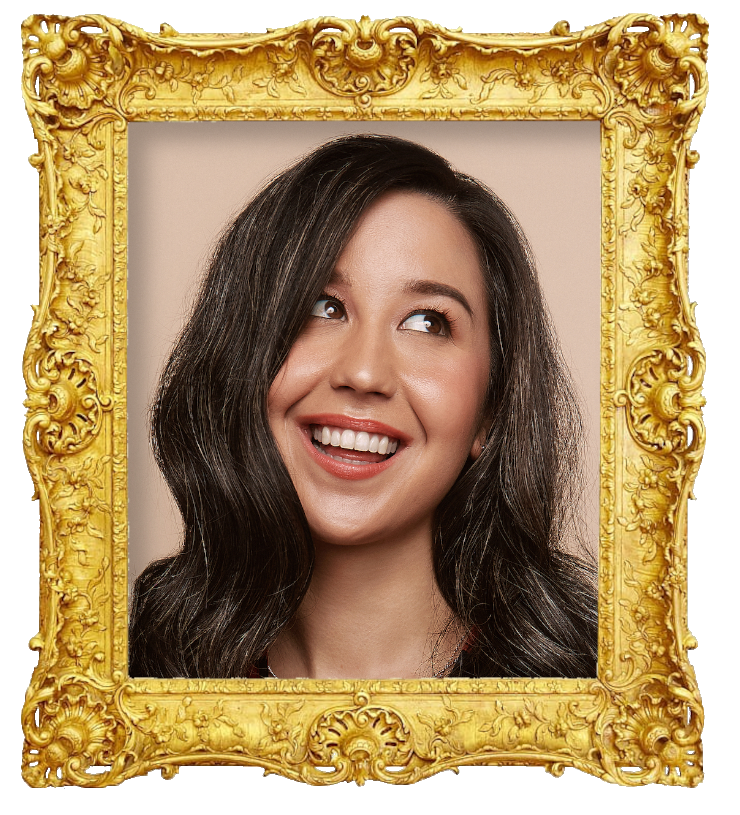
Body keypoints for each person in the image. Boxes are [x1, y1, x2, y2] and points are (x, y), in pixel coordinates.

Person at [129, 133, 597, 679]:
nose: (364, 373)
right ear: (242, 351)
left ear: (490, 411)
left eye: (428, 321)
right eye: (323, 307)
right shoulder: (118, 676)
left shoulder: (600, 699)